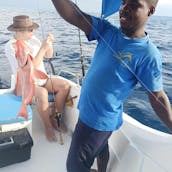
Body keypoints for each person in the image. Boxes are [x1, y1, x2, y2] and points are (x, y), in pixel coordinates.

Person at [51, 0, 172, 171]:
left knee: (74, 166)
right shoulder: (107, 30)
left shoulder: (148, 54)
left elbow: (157, 96)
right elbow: (74, 15)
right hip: (104, 117)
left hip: (95, 122)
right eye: (123, 2)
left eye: (134, 4)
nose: (124, 8)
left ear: (150, 11)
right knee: (101, 147)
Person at [5, 15, 71, 142]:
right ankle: (47, 126)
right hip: (25, 84)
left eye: (32, 29)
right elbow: (30, 68)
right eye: (30, 30)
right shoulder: (11, 46)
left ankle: (55, 118)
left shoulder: (33, 39)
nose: (33, 32)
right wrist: (42, 48)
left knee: (65, 86)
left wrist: (49, 45)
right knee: (42, 93)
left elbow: (48, 55)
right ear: (18, 31)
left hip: (41, 80)